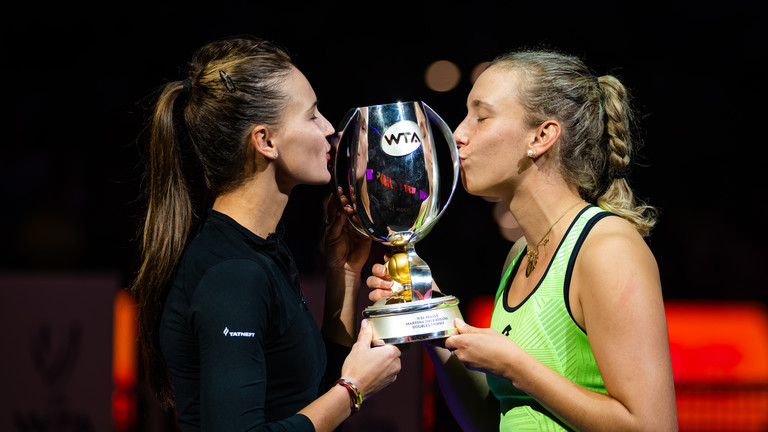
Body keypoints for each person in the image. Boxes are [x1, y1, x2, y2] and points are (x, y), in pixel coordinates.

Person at [367, 49, 678, 431]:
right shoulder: (519, 255)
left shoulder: (607, 247)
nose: (459, 134)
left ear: (542, 136)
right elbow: (490, 421)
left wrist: (517, 367)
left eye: (481, 117)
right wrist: (433, 317)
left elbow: (652, 425)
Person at [130, 36, 401, 432]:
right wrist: (353, 389)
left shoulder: (260, 252)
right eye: (312, 116)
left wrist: (343, 272)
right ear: (265, 141)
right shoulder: (234, 274)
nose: (329, 130)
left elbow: (305, 402)